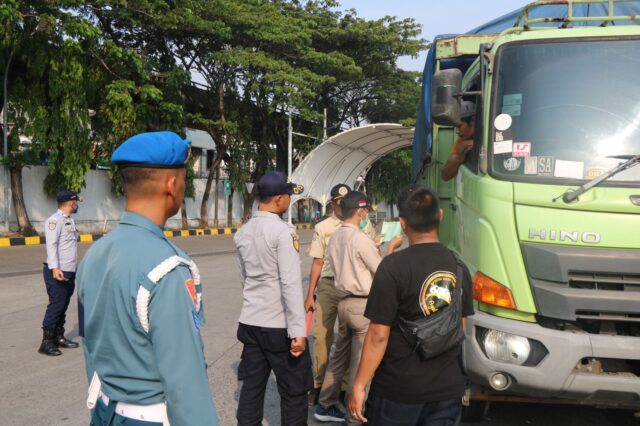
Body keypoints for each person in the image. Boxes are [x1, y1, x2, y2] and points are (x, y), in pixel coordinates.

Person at [77, 131, 219, 425]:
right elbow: (185, 382)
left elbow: (91, 346)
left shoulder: (95, 254)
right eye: (183, 178)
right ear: (172, 184)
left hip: (105, 412)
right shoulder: (168, 267)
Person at [347, 185, 474, 426]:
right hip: (447, 390)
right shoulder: (459, 267)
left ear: (403, 223)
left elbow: (378, 335)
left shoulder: (393, 267)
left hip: (398, 391)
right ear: (440, 216)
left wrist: (359, 385)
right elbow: (461, 326)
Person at [314, 191, 402, 424]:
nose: (366, 216)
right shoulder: (360, 239)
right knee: (361, 362)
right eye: (365, 212)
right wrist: (391, 248)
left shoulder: (335, 236)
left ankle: (325, 404)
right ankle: (355, 414)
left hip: (343, 301)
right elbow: (383, 272)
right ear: (361, 212)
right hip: (362, 306)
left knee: (338, 358)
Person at [234, 171, 312, 426]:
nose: (290, 200)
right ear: (279, 199)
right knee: (294, 392)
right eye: (288, 195)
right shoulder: (283, 232)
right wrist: (298, 331)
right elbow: (290, 283)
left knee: (252, 389)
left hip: (251, 322)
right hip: (279, 327)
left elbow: (245, 279)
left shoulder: (242, 232)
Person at [305, 183, 351, 405]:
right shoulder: (323, 227)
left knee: (349, 336)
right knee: (321, 335)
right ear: (333, 204)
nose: (343, 207)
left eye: (346, 202)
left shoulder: (362, 223)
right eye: (339, 203)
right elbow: (317, 262)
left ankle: (343, 387)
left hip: (352, 288)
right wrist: (309, 295)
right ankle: (319, 383)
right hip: (328, 285)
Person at [38, 190, 82, 356]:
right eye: (76, 202)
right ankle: (46, 342)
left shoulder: (69, 220)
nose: (77, 205)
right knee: (56, 306)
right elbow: (51, 245)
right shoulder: (54, 221)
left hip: (69, 271)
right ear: (71, 203)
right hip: (58, 272)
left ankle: (59, 336)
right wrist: (55, 268)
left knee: (63, 306)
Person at [441, 101, 476, 181]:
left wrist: (478, 144)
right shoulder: (460, 143)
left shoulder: (492, 134)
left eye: (459, 126)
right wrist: (458, 159)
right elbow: (445, 176)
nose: (457, 131)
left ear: (472, 122)